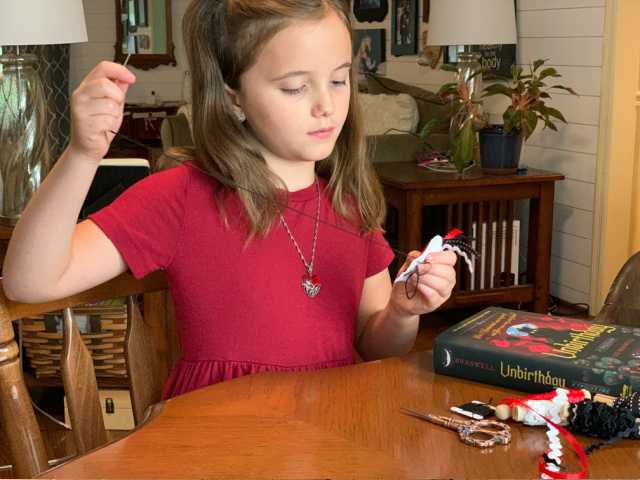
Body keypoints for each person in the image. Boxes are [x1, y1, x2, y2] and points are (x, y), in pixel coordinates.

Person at [3, 0, 456, 400]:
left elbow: (376, 346)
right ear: (232, 97)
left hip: (329, 432)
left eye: (339, 80)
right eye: (296, 87)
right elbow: (29, 282)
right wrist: (82, 153)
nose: (327, 106)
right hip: (216, 436)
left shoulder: (348, 198)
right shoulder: (180, 195)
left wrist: (401, 311)